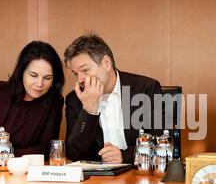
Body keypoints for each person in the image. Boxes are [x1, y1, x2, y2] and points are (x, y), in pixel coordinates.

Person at [64, 33, 163, 164]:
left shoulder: (146, 89)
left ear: (106, 63)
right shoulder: (75, 99)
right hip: (97, 180)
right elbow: (73, 153)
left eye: (85, 70)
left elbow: (162, 144)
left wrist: (124, 156)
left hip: (139, 174)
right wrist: (89, 111)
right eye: (76, 74)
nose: (80, 79)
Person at [0, 41, 65, 159]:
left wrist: (7, 156)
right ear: (21, 73)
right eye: (33, 75)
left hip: (25, 170)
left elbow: (46, 148)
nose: (39, 84)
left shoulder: (54, 101)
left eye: (47, 78)